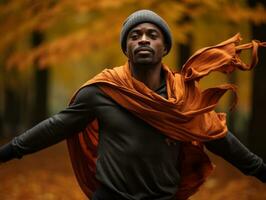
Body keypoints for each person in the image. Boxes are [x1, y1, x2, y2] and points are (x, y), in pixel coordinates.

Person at [0, 9, 266, 200]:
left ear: (165, 48)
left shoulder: (184, 98)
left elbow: (222, 140)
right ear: (126, 47)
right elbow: (54, 127)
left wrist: (261, 171)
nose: (143, 39)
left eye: (152, 34)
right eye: (134, 35)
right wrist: (7, 152)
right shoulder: (102, 91)